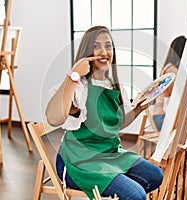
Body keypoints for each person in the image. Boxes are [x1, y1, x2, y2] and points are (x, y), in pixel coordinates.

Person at [45, 26, 163, 200]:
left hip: (109, 153)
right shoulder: (80, 87)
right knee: (136, 195)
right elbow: (53, 118)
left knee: (155, 175)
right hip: (79, 162)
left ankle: (116, 183)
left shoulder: (111, 84)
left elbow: (117, 123)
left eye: (108, 45)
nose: (103, 51)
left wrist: (139, 108)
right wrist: (73, 76)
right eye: (96, 46)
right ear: (86, 52)